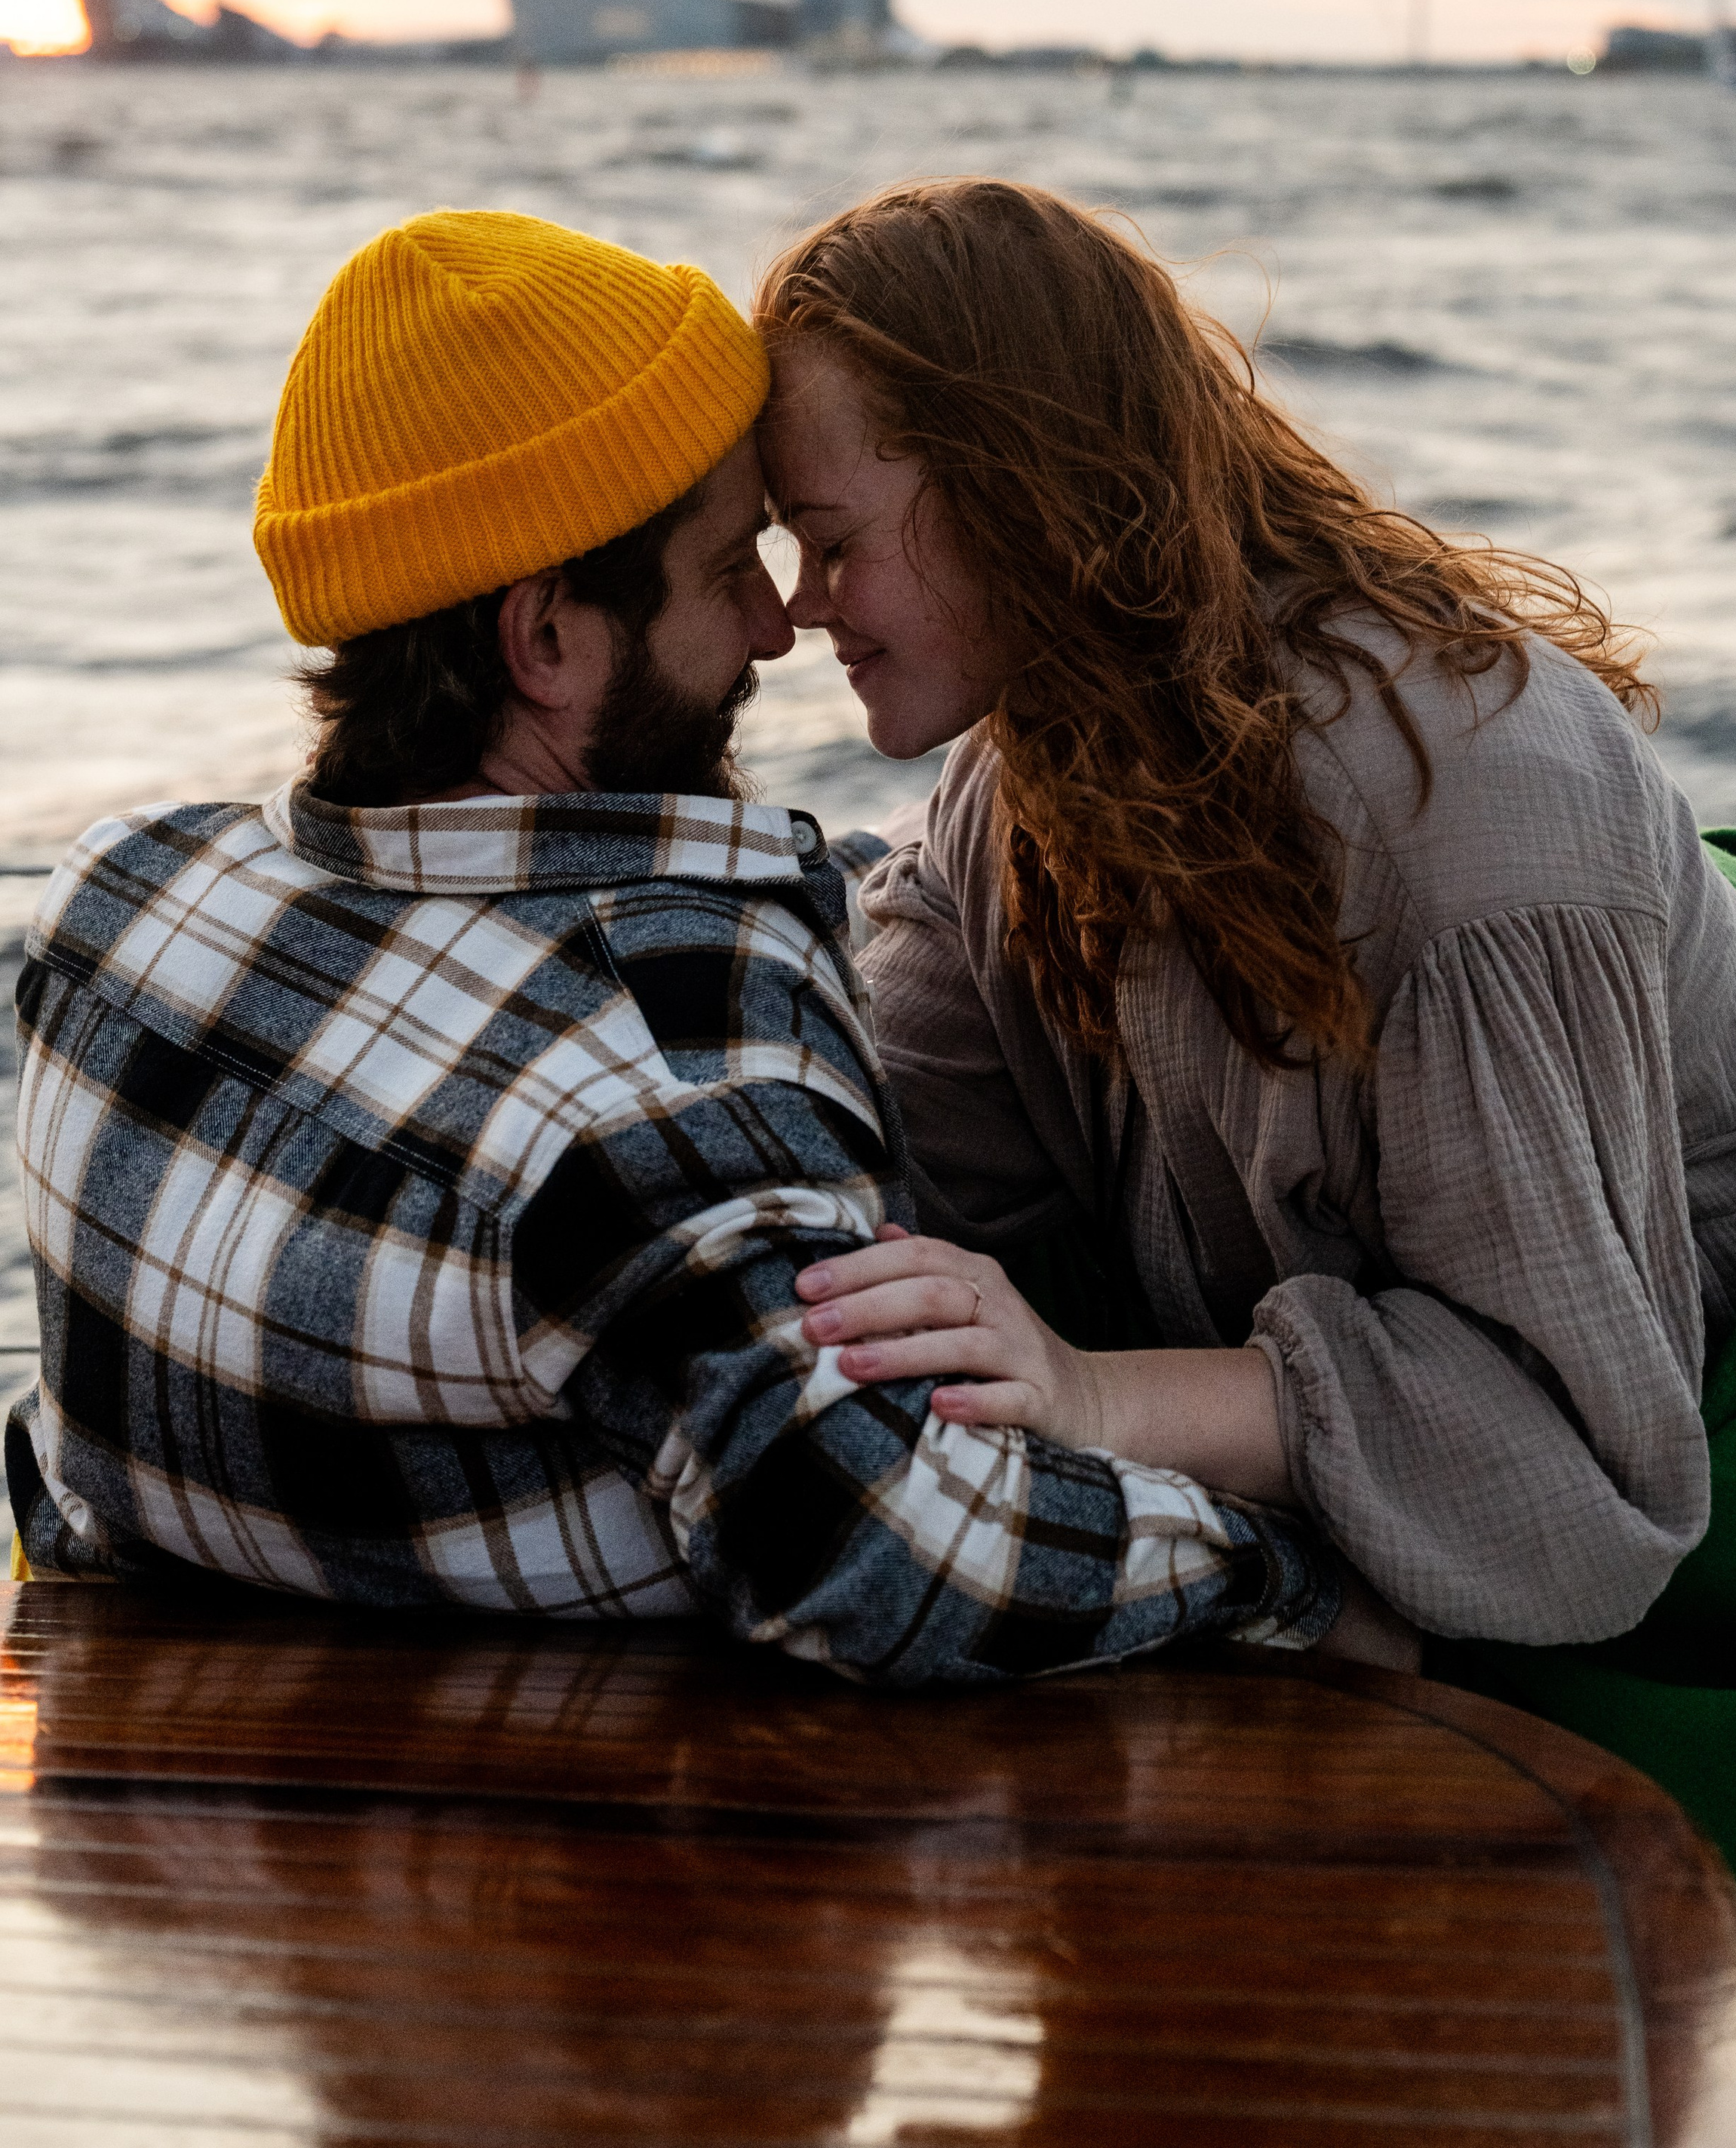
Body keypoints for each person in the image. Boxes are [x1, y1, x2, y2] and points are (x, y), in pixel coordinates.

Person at [755, 177, 1736, 2139]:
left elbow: (1586, 1478)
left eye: (830, 541)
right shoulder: (993, 810)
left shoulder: (1467, 813)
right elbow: (915, 1213)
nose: (799, 614)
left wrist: (1096, 1389)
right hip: (1488, 1392)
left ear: (1014, 487)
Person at [7, 207, 1347, 1686]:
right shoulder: (662, 1067)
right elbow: (902, 1561)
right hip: (598, 1851)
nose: (779, 625)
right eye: (727, 572)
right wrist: (1292, 1575)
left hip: (212, 1786)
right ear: (547, 641)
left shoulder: (111, 905)